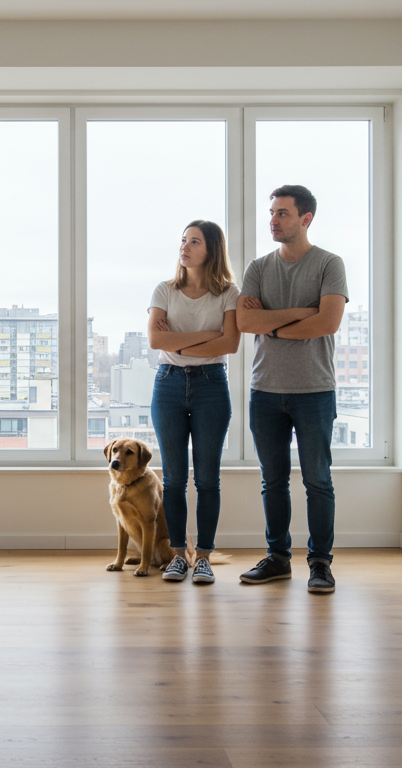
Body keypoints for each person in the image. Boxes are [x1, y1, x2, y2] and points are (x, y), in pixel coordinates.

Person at [235, 185, 347, 594]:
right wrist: (301, 314)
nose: (273, 220)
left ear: (306, 219)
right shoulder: (258, 268)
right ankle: (278, 559)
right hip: (265, 390)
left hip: (315, 389)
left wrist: (272, 323)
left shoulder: (329, 264)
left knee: (318, 480)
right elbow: (246, 324)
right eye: (272, 213)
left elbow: (327, 323)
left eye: (282, 213)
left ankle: (320, 563)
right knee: (273, 480)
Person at [146, 220, 241, 585]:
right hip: (168, 386)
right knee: (173, 480)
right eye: (183, 241)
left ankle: (203, 557)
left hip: (211, 386)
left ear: (211, 250)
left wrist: (180, 342)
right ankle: (176, 556)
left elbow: (229, 344)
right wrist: (206, 337)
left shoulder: (228, 294)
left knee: (207, 480)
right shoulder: (165, 290)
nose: (184, 247)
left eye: (194, 241)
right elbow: (156, 340)